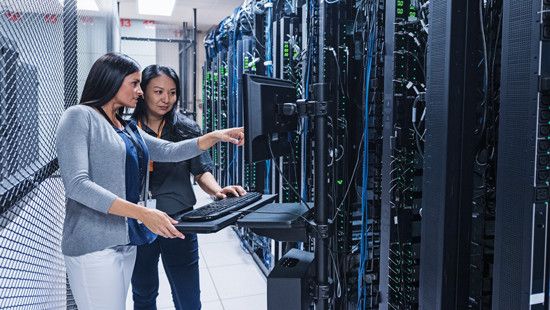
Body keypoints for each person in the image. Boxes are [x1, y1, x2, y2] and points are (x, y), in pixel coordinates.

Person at [55, 53, 244, 310]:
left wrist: (215, 136)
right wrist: (143, 213)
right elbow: (77, 184)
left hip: (127, 239)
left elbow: (169, 151)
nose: (140, 92)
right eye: (135, 84)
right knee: (140, 295)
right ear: (112, 80)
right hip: (95, 244)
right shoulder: (79, 116)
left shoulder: (124, 127)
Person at [130, 65, 246, 310]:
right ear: (143, 92)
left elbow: (201, 170)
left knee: (188, 297)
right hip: (140, 222)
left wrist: (217, 191)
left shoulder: (186, 128)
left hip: (180, 221)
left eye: (172, 93)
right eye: (159, 91)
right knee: (143, 293)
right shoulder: (127, 130)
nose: (166, 99)